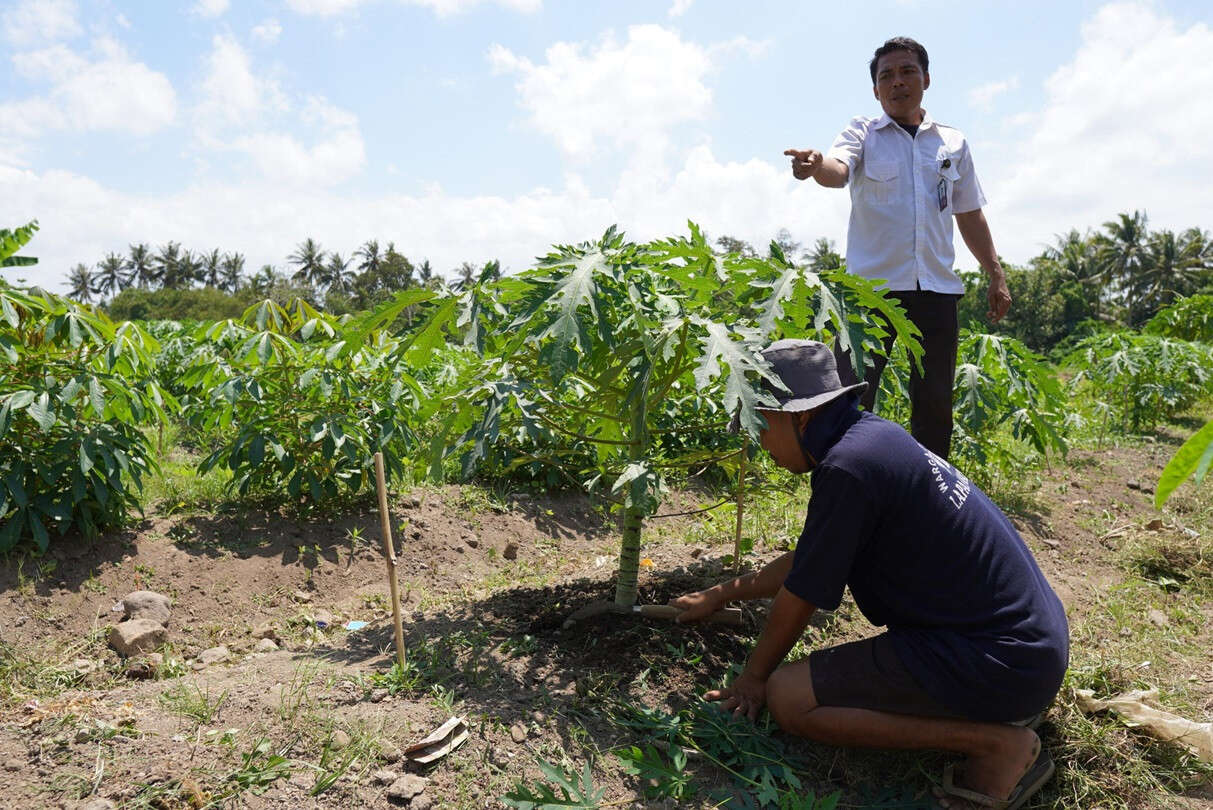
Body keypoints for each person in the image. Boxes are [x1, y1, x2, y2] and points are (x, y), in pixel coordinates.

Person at [672, 339, 1068, 809]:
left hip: (998, 660)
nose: (759, 442)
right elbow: (813, 557)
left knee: (790, 697)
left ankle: (996, 745)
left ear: (800, 416)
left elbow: (802, 594)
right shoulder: (872, 439)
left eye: (762, 424)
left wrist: (753, 677)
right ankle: (1004, 713)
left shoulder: (849, 468)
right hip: (1026, 649)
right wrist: (720, 594)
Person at [783, 36, 1011, 460]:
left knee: (936, 404)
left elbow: (969, 213)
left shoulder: (952, 143)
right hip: (871, 294)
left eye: (907, 72)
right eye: (886, 75)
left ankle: (928, 498)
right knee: (849, 396)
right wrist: (815, 167)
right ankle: (843, 484)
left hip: (938, 291)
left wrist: (995, 271)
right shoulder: (863, 133)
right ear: (875, 89)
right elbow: (837, 170)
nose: (897, 82)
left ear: (926, 79)